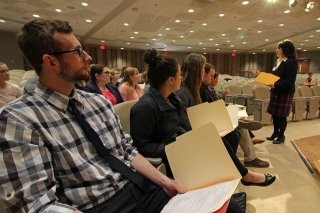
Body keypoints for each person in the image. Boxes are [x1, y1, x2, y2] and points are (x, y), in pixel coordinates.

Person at [0, 19, 185, 213]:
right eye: (78, 51)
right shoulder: (18, 119)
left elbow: (126, 151)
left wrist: (166, 182)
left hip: (139, 187)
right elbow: (37, 204)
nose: (88, 57)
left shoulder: (98, 102)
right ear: (51, 61)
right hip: (98, 205)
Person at [132, 50, 275, 188]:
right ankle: (244, 176)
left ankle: (239, 177)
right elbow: (140, 147)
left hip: (181, 145)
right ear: (170, 80)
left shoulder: (172, 99)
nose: (181, 78)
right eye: (179, 74)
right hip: (173, 155)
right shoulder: (145, 107)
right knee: (218, 141)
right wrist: (176, 145)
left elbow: (183, 125)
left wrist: (199, 135)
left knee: (216, 138)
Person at [200, 63, 268, 168]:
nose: (213, 78)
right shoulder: (201, 89)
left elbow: (214, 103)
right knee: (240, 126)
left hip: (216, 114)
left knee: (239, 114)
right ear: (203, 75)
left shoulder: (206, 88)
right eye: (211, 76)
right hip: (212, 120)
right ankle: (250, 157)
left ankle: (244, 127)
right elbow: (208, 108)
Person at [267, 40, 298, 144]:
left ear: (285, 50)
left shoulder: (291, 61)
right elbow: (276, 76)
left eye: (278, 48)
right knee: (275, 114)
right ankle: (275, 133)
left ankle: (281, 136)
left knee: (281, 115)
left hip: (285, 92)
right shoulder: (279, 60)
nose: (276, 50)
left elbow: (290, 80)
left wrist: (275, 84)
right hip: (276, 90)